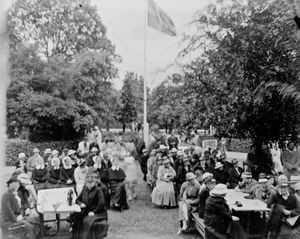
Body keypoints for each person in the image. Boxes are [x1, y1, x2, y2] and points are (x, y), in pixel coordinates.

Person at [71, 168, 108, 239]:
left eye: (91, 183)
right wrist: (80, 203)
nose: (89, 184)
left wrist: (94, 212)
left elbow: (101, 203)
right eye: (88, 183)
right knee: (77, 217)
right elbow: (77, 200)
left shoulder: (98, 190)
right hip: (86, 210)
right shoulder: (85, 189)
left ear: (94, 183)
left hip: (98, 212)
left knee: (87, 221)